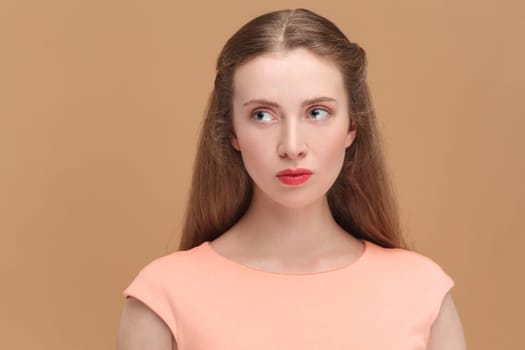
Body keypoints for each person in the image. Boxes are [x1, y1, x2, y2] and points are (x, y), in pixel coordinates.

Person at [116, 8, 466, 350]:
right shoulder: (163, 297)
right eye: (263, 115)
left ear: (352, 126)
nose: (292, 146)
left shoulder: (421, 291)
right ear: (231, 132)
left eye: (317, 112)